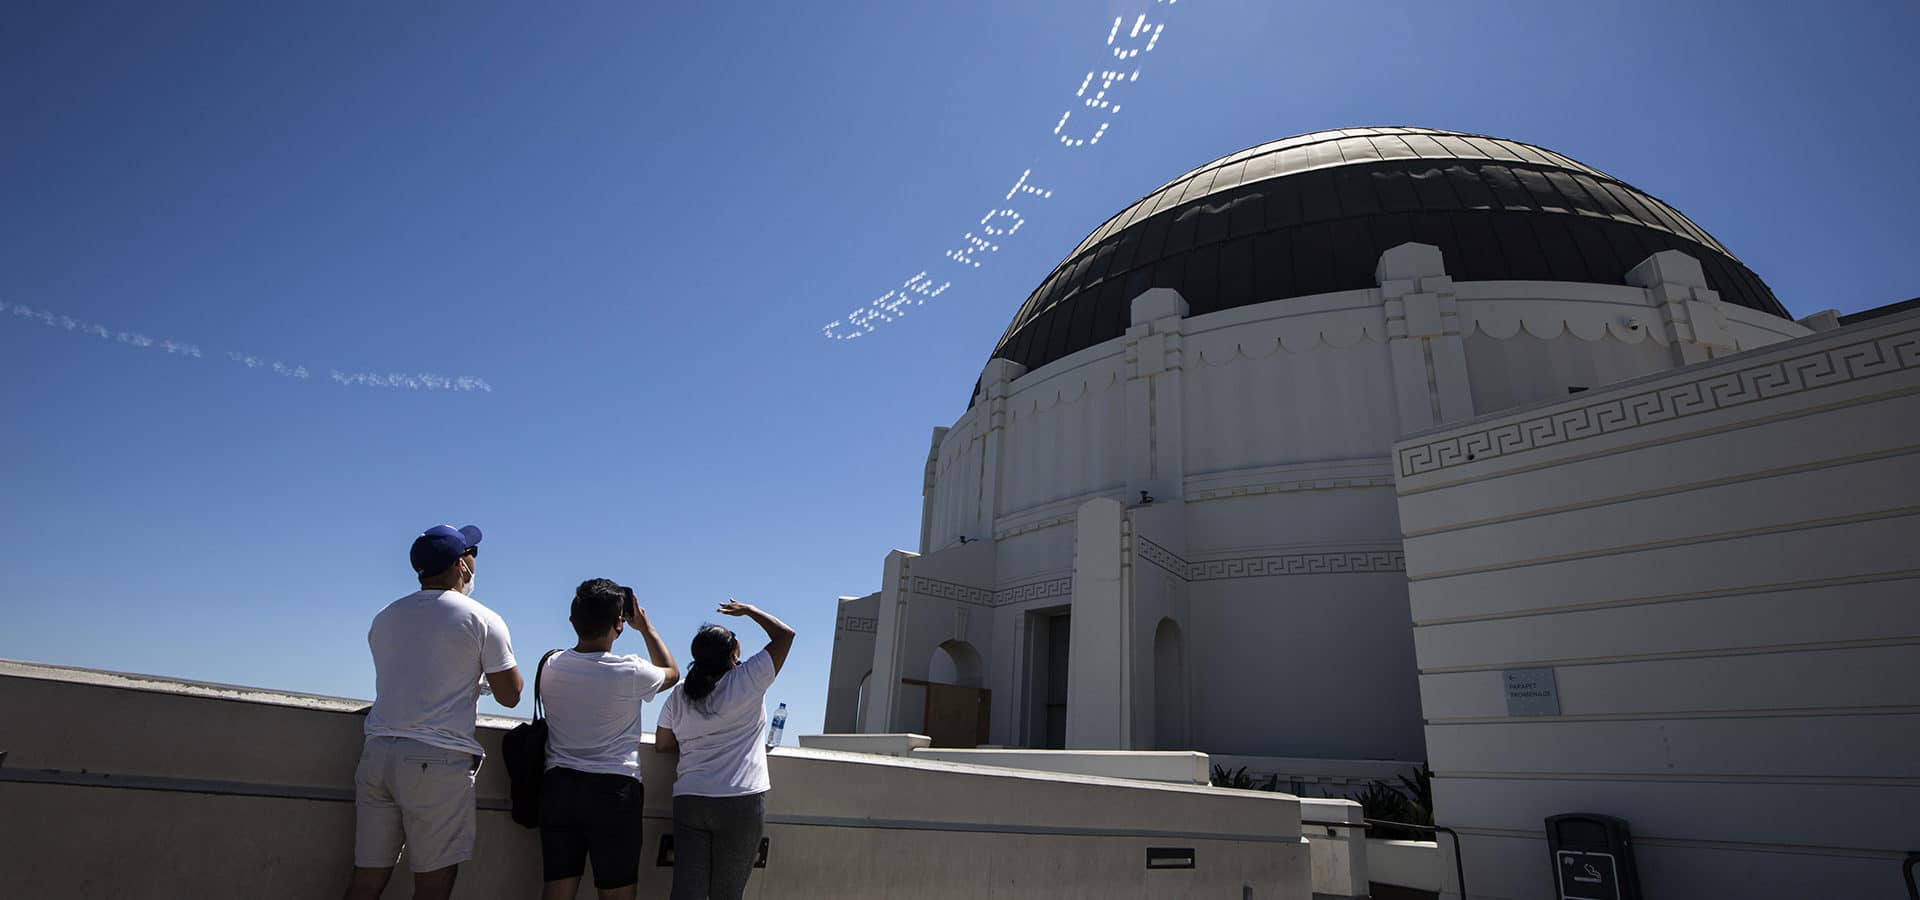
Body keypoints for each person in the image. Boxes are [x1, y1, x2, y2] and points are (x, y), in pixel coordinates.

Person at [344, 524, 523, 900]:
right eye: (473, 554)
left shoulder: (386, 616)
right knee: (433, 884)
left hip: (377, 753)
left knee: (366, 879)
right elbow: (511, 695)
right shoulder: (483, 618)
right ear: (462, 565)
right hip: (435, 761)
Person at [537, 579, 681, 900]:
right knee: (617, 891)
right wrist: (644, 627)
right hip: (614, 792)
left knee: (557, 889)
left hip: (559, 787)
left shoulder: (550, 665)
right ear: (619, 623)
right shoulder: (630, 671)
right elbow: (671, 671)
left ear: (573, 620)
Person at [654, 600, 795, 900]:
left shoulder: (680, 694)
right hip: (740, 800)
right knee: (727, 893)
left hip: (690, 798)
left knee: (686, 892)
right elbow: (785, 635)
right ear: (733, 656)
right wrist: (751, 611)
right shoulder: (747, 680)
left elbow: (663, 744)